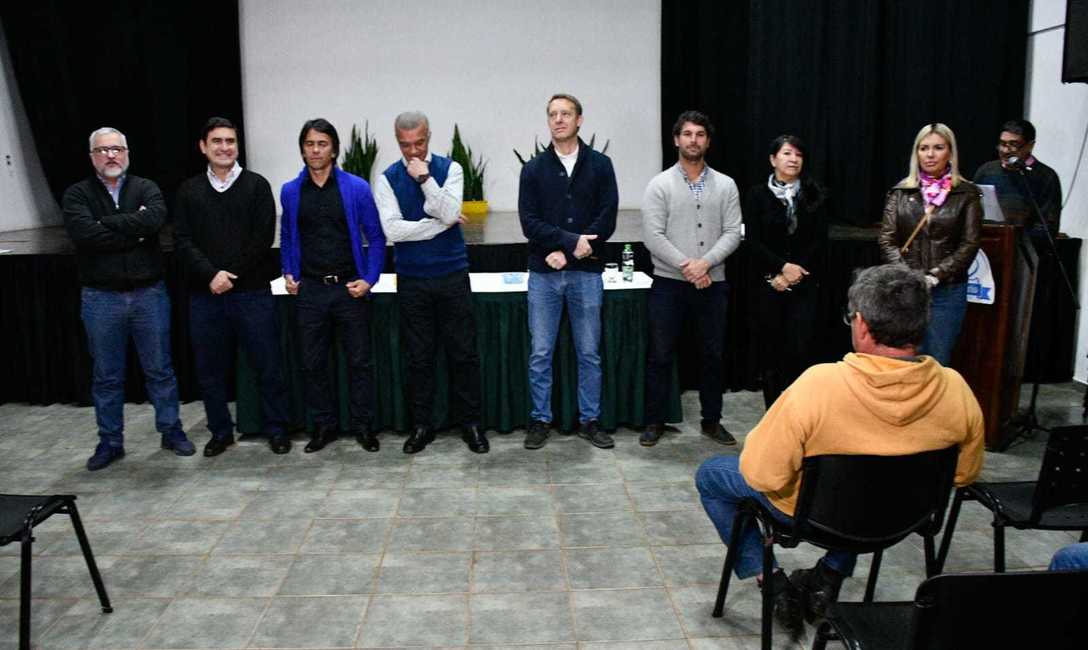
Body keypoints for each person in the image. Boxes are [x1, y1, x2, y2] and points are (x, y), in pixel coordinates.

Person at [695, 264, 984, 631]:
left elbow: (762, 473)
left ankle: (771, 581)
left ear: (861, 324)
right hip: (901, 515)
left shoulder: (819, 384)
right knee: (869, 486)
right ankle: (828, 577)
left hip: (813, 516)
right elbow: (964, 474)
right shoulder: (955, 387)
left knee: (711, 476)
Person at [62, 127, 195, 470]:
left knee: (160, 370)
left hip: (149, 295)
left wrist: (109, 225)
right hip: (100, 299)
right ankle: (110, 441)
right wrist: (131, 230)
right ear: (92, 156)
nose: (111, 155)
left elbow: (153, 221)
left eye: (117, 149)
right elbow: (85, 234)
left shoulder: (146, 187)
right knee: (106, 376)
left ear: (127, 154)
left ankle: (171, 430)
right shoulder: (77, 194)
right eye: (103, 150)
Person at [174, 117, 291, 456]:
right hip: (205, 295)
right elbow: (182, 240)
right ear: (203, 146)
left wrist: (229, 275)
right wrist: (211, 275)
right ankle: (220, 431)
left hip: (252, 293)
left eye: (230, 141)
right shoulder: (188, 191)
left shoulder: (257, 185)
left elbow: (262, 238)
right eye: (217, 141)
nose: (224, 147)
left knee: (267, 365)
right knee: (210, 371)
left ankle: (277, 429)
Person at [374, 111, 487, 454]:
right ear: (397, 142)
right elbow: (393, 231)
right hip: (412, 281)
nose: (413, 152)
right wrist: (440, 224)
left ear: (429, 137)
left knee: (463, 354)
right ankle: (423, 425)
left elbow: (450, 210)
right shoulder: (386, 178)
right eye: (406, 145)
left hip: (452, 275)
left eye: (419, 143)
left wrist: (425, 180)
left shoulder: (450, 169)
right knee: (418, 358)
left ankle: (471, 423)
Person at [280, 118, 385, 453]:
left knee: (360, 363)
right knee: (313, 364)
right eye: (310, 144)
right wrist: (288, 270)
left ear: (334, 149)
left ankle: (364, 426)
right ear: (302, 149)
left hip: (348, 290)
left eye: (322, 144)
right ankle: (324, 427)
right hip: (310, 290)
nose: (315, 150)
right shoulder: (291, 191)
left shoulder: (356, 188)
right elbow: (286, 238)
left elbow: (377, 238)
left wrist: (369, 279)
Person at [518, 93, 617, 450]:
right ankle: (540, 419)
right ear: (548, 122)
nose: (559, 119)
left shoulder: (601, 165)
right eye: (553, 115)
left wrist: (573, 251)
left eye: (566, 114)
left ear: (579, 120)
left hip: (585, 273)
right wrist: (565, 243)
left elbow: (607, 218)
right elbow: (529, 222)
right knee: (541, 352)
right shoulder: (533, 169)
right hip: (544, 274)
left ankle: (589, 420)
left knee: (589, 352)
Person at [640, 110, 742, 447]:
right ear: (676, 140)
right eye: (687, 134)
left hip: (713, 284)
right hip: (668, 284)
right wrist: (688, 265)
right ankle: (654, 421)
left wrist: (706, 264)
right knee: (660, 354)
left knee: (713, 355)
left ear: (707, 141)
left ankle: (711, 420)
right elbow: (653, 236)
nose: (693, 140)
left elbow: (733, 232)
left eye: (700, 134)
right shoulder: (659, 185)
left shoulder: (726, 185)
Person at [878, 123, 982, 365]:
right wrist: (910, 276)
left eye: (938, 147)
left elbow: (970, 243)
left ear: (950, 153)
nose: (930, 154)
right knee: (902, 361)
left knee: (936, 360)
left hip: (947, 291)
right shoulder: (900, 192)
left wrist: (936, 275)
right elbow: (887, 239)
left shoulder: (967, 194)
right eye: (923, 148)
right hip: (904, 290)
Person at [744, 135, 830, 408]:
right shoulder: (757, 195)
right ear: (773, 159)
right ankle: (774, 413)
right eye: (787, 153)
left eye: (798, 155)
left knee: (800, 350)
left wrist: (796, 272)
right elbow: (753, 241)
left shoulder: (815, 193)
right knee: (770, 351)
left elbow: (818, 241)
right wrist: (780, 270)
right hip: (769, 284)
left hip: (804, 286)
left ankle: (799, 413)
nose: (793, 159)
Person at [973, 119, 1062, 242]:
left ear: (1030, 145)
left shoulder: (1046, 177)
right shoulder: (986, 171)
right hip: (989, 245)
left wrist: (1016, 238)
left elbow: (1048, 226)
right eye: (1002, 144)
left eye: (1013, 144)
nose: (1005, 151)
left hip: (1026, 252)